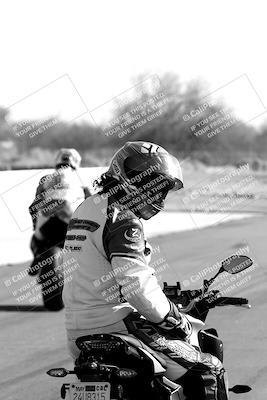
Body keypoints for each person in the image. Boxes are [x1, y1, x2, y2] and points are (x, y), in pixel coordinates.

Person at [62, 141, 223, 396]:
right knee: (207, 369)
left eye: (161, 189)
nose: (155, 195)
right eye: (151, 185)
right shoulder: (124, 219)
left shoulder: (87, 208)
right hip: (115, 326)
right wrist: (175, 318)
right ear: (127, 177)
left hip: (76, 332)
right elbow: (137, 286)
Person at [28, 148, 91, 276]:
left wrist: (36, 226)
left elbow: (33, 206)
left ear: (57, 161)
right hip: (70, 216)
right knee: (90, 241)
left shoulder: (45, 179)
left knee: (36, 239)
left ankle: (38, 255)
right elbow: (91, 201)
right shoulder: (82, 179)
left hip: (47, 216)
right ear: (76, 162)